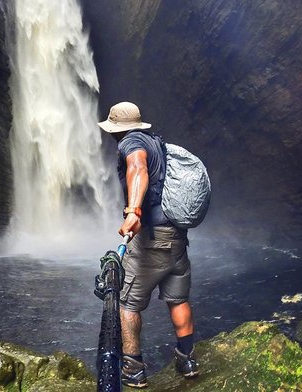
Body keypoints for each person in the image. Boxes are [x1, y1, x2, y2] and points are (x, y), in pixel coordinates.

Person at [98, 101, 198, 388]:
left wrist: (133, 211)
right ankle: (187, 358)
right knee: (178, 299)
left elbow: (138, 168)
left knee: (127, 303)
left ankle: (133, 369)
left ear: (116, 128)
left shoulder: (131, 143)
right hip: (177, 237)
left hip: (151, 240)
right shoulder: (156, 142)